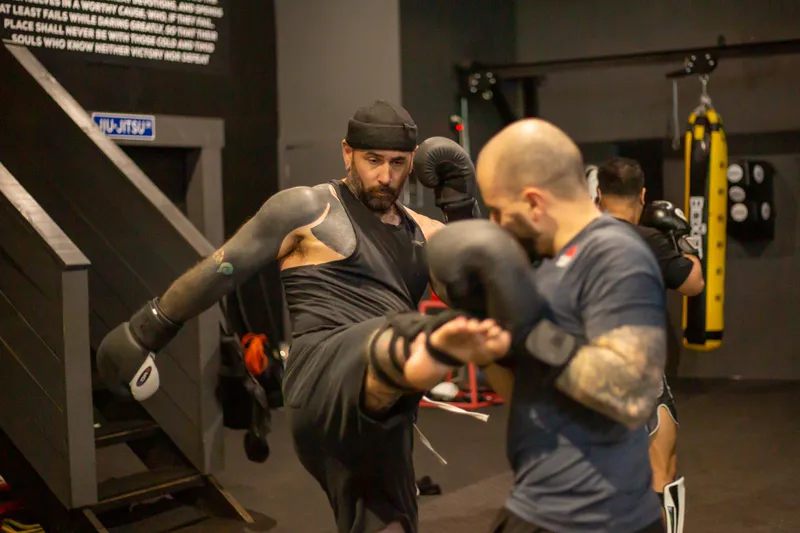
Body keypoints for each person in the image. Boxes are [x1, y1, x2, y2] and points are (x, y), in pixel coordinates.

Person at [94, 100, 500, 533]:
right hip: (322, 376)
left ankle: (405, 366)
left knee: (389, 522)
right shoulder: (308, 210)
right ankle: (409, 352)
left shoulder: (425, 233)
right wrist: (147, 330)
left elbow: (480, 304)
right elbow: (222, 269)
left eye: (398, 163)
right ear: (348, 153)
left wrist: (460, 207)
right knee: (396, 334)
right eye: (373, 160)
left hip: (387, 408)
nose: (386, 176)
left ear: (413, 162)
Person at [417, 118, 670, 533]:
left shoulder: (614, 254)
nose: (496, 226)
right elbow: (529, 390)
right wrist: (492, 345)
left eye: (499, 211)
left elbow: (633, 394)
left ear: (535, 202)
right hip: (542, 501)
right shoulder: (554, 265)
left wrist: (528, 327)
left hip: (596, 518)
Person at [596, 157, 704, 532]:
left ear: (598, 194)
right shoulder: (650, 240)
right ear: (642, 195)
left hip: (584, 374)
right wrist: (684, 237)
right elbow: (694, 284)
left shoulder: (575, 239)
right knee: (662, 469)